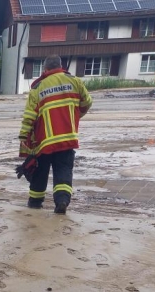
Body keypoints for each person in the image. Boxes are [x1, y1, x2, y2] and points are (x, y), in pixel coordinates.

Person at [18, 54, 92, 214]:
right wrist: (75, 115)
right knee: (63, 170)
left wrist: (23, 136)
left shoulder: (38, 88)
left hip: (44, 140)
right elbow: (87, 102)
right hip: (68, 138)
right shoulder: (75, 82)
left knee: (40, 172)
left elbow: (30, 116)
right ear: (61, 66)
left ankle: (35, 202)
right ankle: (62, 201)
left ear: (45, 69)